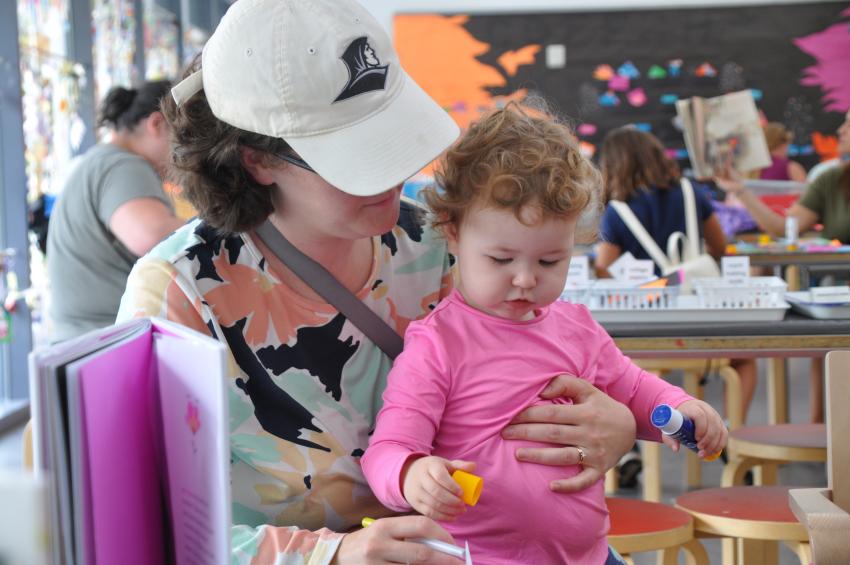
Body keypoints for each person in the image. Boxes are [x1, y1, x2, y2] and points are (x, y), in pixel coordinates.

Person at [116, 0, 638, 563]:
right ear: (257, 161)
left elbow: (540, 369)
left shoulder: (440, 241)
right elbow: (153, 529)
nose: (394, 173)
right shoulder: (180, 296)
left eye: (391, 135)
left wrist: (615, 422)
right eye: (354, 155)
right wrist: (332, 556)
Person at [360, 103, 727, 564]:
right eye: (501, 259)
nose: (526, 279)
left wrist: (679, 406)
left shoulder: (575, 327)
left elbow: (634, 389)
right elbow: (388, 449)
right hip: (480, 557)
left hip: (590, 554)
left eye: (550, 261)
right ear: (452, 234)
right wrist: (412, 474)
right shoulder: (439, 344)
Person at [594, 127, 758, 427]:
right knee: (744, 361)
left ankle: (638, 443)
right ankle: (735, 431)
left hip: (648, 332)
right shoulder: (690, 192)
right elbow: (720, 247)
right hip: (702, 322)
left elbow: (604, 268)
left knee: (626, 370)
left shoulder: (617, 212)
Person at [716, 109, 850, 422]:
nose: (841, 130)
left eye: (849, 124)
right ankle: (824, 431)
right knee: (827, 342)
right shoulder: (831, 179)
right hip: (838, 297)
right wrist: (741, 191)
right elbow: (783, 228)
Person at [47, 80, 184, 342]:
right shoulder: (123, 165)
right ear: (157, 124)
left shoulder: (102, 160)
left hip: (85, 341)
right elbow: (153, 237)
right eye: (184, 139)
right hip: (103, 342)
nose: (186, 156)